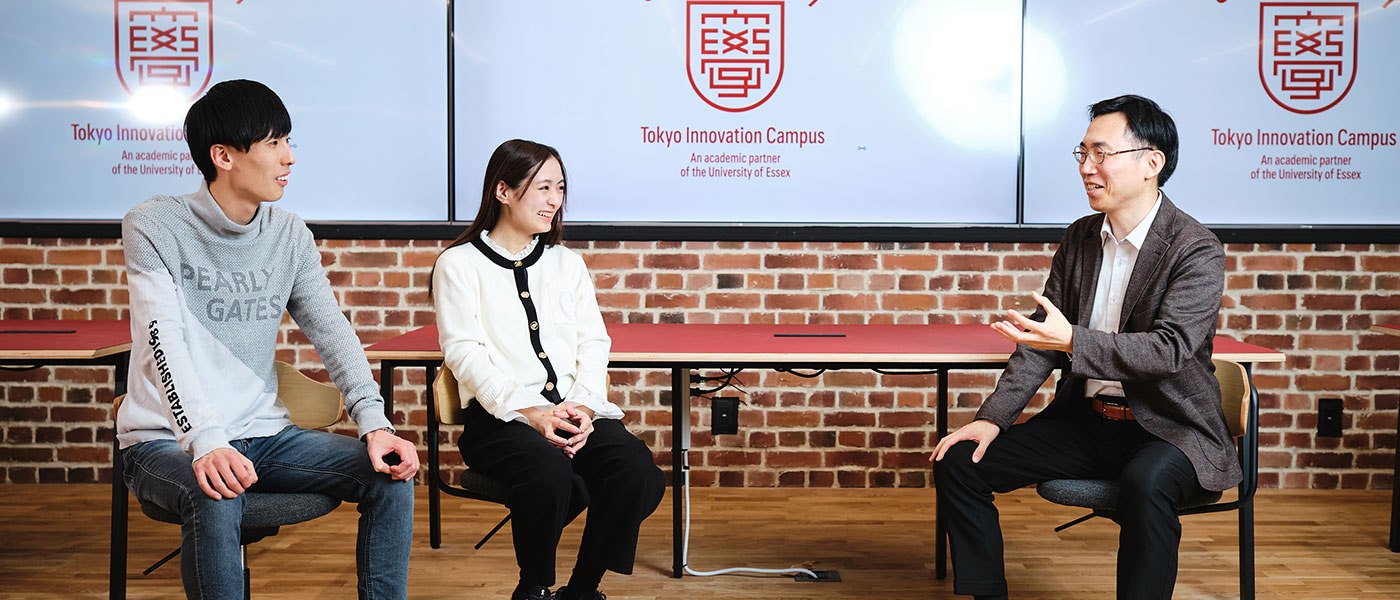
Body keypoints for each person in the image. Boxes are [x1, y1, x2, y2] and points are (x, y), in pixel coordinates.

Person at [117, 79, 419, 600]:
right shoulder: (154, 225)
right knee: (216, 489)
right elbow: (163, 341)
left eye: (288, 141)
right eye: (274, 143)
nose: (289, 157)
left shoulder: (288, 234)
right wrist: (206, 441)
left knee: (390, 474)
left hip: (262, 434)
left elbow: (333, 331)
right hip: (163, 439)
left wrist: (375, 424)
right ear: (224, 156)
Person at [931, 95, 1238, 600]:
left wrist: (1073, 339)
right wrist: (993, 419)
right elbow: (1040, 343)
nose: (1087, 167)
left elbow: (1169, 351)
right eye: (1083, 152)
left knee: (1147, 484)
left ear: (1151, 163)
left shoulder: (1195, 247)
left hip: (1169, 429)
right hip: (1088, 421)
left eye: (1102, 153)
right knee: (959, 461)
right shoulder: (1080, 238)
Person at [432, 139, 665, 600]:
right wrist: (531, 412)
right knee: (552, 475)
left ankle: (581, 591)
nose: (554, 200)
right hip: (501, 421)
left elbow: (594, 343)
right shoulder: (458, 265)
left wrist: (583, 408)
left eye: (559, 188)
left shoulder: (567, 264)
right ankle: (534, 588)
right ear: (503, 191)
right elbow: (464, 353)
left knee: (637, 472)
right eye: (542, 187)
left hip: (572, 411)